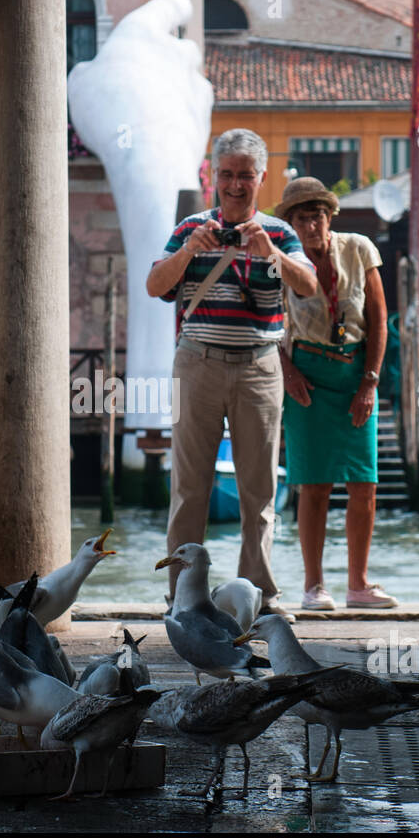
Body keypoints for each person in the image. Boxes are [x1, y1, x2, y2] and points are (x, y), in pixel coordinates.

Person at [146, 129, 318, 613]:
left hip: (259, 367)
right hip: (196, 362)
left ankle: (258, 594)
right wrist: (188, 252)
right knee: (188, 488)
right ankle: (182, 597)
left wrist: (273, 256)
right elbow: (154, 285)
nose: (236, 185)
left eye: (245, 175)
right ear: (213, 176)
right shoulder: (190, 228)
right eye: (227, 174)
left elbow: (308, 285)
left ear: (262, 178)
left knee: (259, 490)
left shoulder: (279, 233)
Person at [276, 177, 396, 610]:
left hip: (354, 373)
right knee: (314, 483)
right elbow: (269, 323)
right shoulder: (283, 260)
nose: (313, 225)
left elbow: (379, 319)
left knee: (364, 482)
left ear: (331, 217)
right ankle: (313, 587)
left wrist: (370, 381)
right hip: (306, 373)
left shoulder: (359, 248)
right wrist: (287, 370)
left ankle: (358, 585)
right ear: (291, 224)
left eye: (320, 215)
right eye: (303, 218)